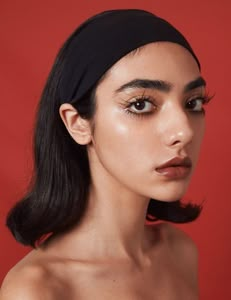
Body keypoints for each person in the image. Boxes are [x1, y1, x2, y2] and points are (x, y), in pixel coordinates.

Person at [0, 9, 212, 299]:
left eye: (193, 102)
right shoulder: (37, 291)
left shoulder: (180, 252)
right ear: (78, 124)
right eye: (140, 105)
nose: (184, 131)